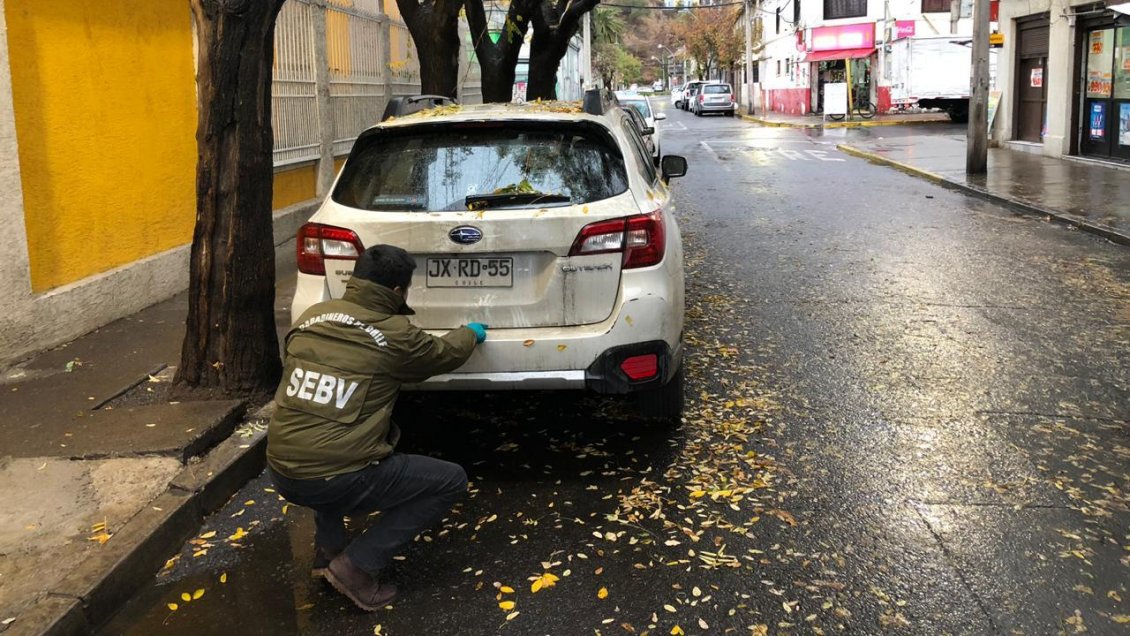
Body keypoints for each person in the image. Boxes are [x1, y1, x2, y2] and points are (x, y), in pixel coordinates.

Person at [267, 244, 488, 611]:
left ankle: (329, 552)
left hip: (281, 469)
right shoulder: (396, 333)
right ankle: (355, 567)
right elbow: (442, 354)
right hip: (334, 478)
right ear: (399, 291)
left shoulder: (312, 317)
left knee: (326, 434)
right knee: (450, 480)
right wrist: (470, 333)